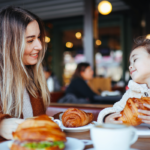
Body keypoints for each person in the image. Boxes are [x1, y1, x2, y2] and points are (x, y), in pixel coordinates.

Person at [0, 6, 50, 140]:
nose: (39, 46)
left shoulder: (32, 78)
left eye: (39, 37)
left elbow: (37, 126)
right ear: (9, 45)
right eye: (30, 40)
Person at [97, 37, 150, 124]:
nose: (130, 66)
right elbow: (116, 109)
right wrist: (106, 118)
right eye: (130, 63)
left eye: (135, 59)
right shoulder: (132, 93)